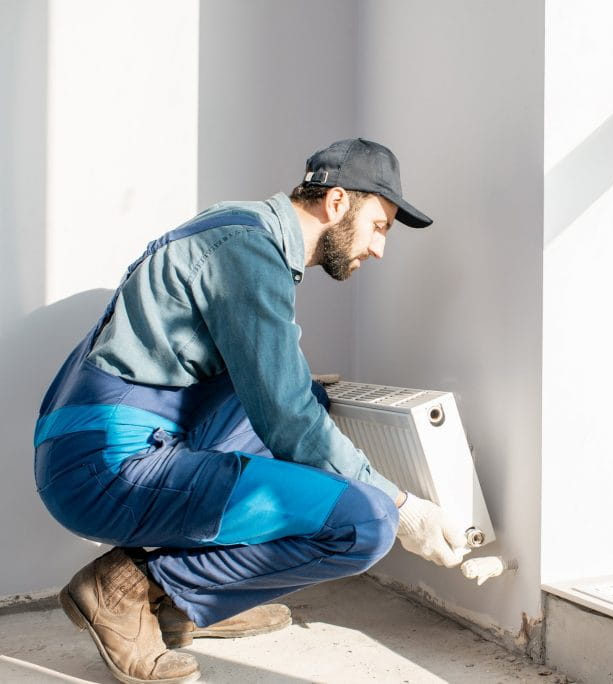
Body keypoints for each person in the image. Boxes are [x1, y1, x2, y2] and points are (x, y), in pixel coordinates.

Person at [33, 138, 470, 684]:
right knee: (366, 523)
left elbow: (281, 398)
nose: (380, 249)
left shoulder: (237, 226)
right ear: (337, 203)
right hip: (103, 465)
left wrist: (299, 397)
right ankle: (127, 589)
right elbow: (286, 420)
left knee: (307, 396)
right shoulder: (250, 253)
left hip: (91, 443)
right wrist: (403, 507)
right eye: (380, 226)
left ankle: (184, 602)